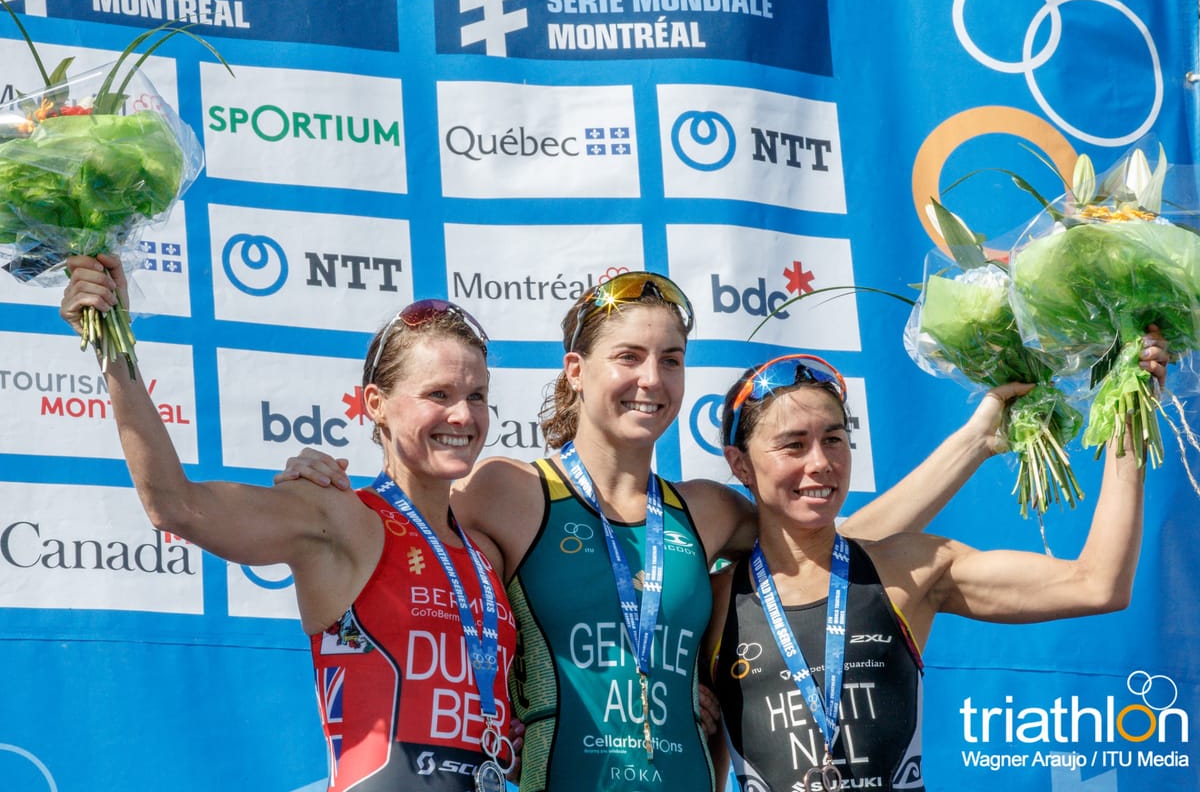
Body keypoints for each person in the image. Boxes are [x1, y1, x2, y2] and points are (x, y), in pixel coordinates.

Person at [279, 270, 1089, 792]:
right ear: (576, 371)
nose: (652, 379)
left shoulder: (703, 509)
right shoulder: (510, 490)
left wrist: (979, 439)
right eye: (629, 356)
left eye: (671, 359)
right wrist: (323, 478)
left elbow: (839, 547)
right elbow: (410, 540)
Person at [59, 253, 517, 792]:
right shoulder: (340, 517)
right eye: (438, 394)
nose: (463, 416)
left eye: (477, 396)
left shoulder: (488, 554)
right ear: (377, 404)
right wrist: (115, 350)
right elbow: (175, 505)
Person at [706, 347, 1166, 792]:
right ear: (740, 464)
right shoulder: (713, 600)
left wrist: (1128, 418)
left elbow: (1098, 584)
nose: (821, 463)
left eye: (833, 439)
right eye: (793, 445)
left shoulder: (907, 569)